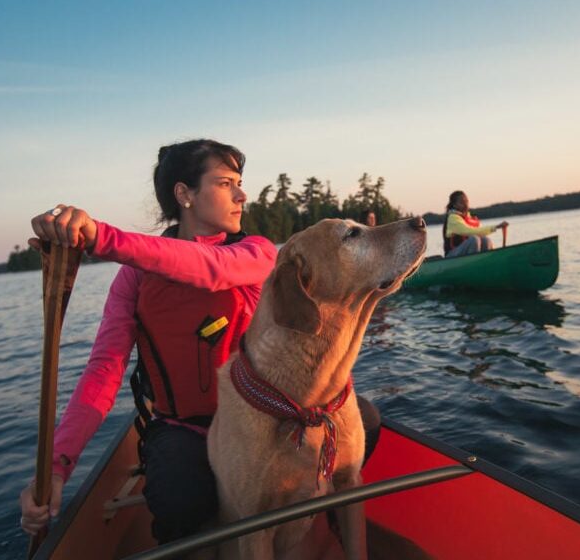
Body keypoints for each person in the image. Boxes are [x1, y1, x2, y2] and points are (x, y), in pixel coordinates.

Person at [19, 139, 381, 544]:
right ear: (184, 194)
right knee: (178, 495)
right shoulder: (133, 279)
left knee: (366, 418)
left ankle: (324, 518)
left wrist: (100, 238)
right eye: (226, 183)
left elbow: (210, 269)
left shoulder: (258, 253)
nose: (242, 195)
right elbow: (104, 371)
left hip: (265, 419)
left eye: (240, 183)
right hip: (187, 428)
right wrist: (56, 467)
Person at [442, 190, 508, 257]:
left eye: (466, 201)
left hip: (463, 253)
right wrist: (496, 227)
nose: (465, 204)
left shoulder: (470, 217)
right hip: (452, 254)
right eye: (461, 202)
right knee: (474, 240)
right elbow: (469, 231)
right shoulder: (452, 218)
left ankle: (486, 260)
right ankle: (474, 261)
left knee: (486, 240)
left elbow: (481, 231)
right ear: (454, 205)